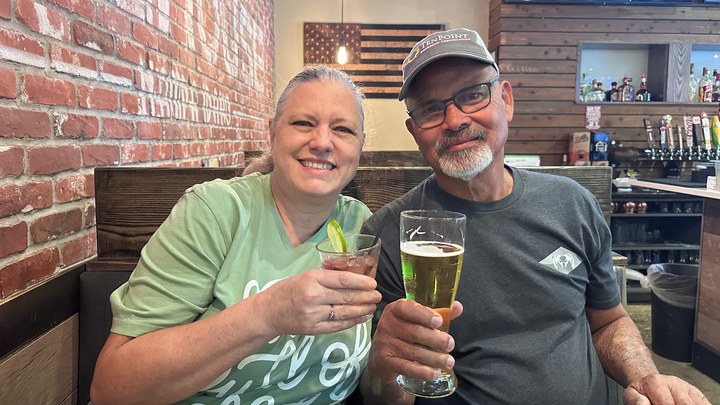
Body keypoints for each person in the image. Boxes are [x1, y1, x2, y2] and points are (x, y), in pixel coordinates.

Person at [358, 28, 712, 405]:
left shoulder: (573, 204)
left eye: (473, 94)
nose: (455, 119)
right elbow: (386, 395)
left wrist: (645, 378)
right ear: (414, 132)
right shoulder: (388, 235)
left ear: (506, 100)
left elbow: (608, 321)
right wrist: (382, 366)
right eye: (431, 108)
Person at [90, 66, 382, 405]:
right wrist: (267, 313)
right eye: (303, 123)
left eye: (343, 129)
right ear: (272, 134)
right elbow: (111, 388)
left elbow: (375, 376)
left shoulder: (362, 226)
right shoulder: (215, 210)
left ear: (360, 146)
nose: (321, 142)